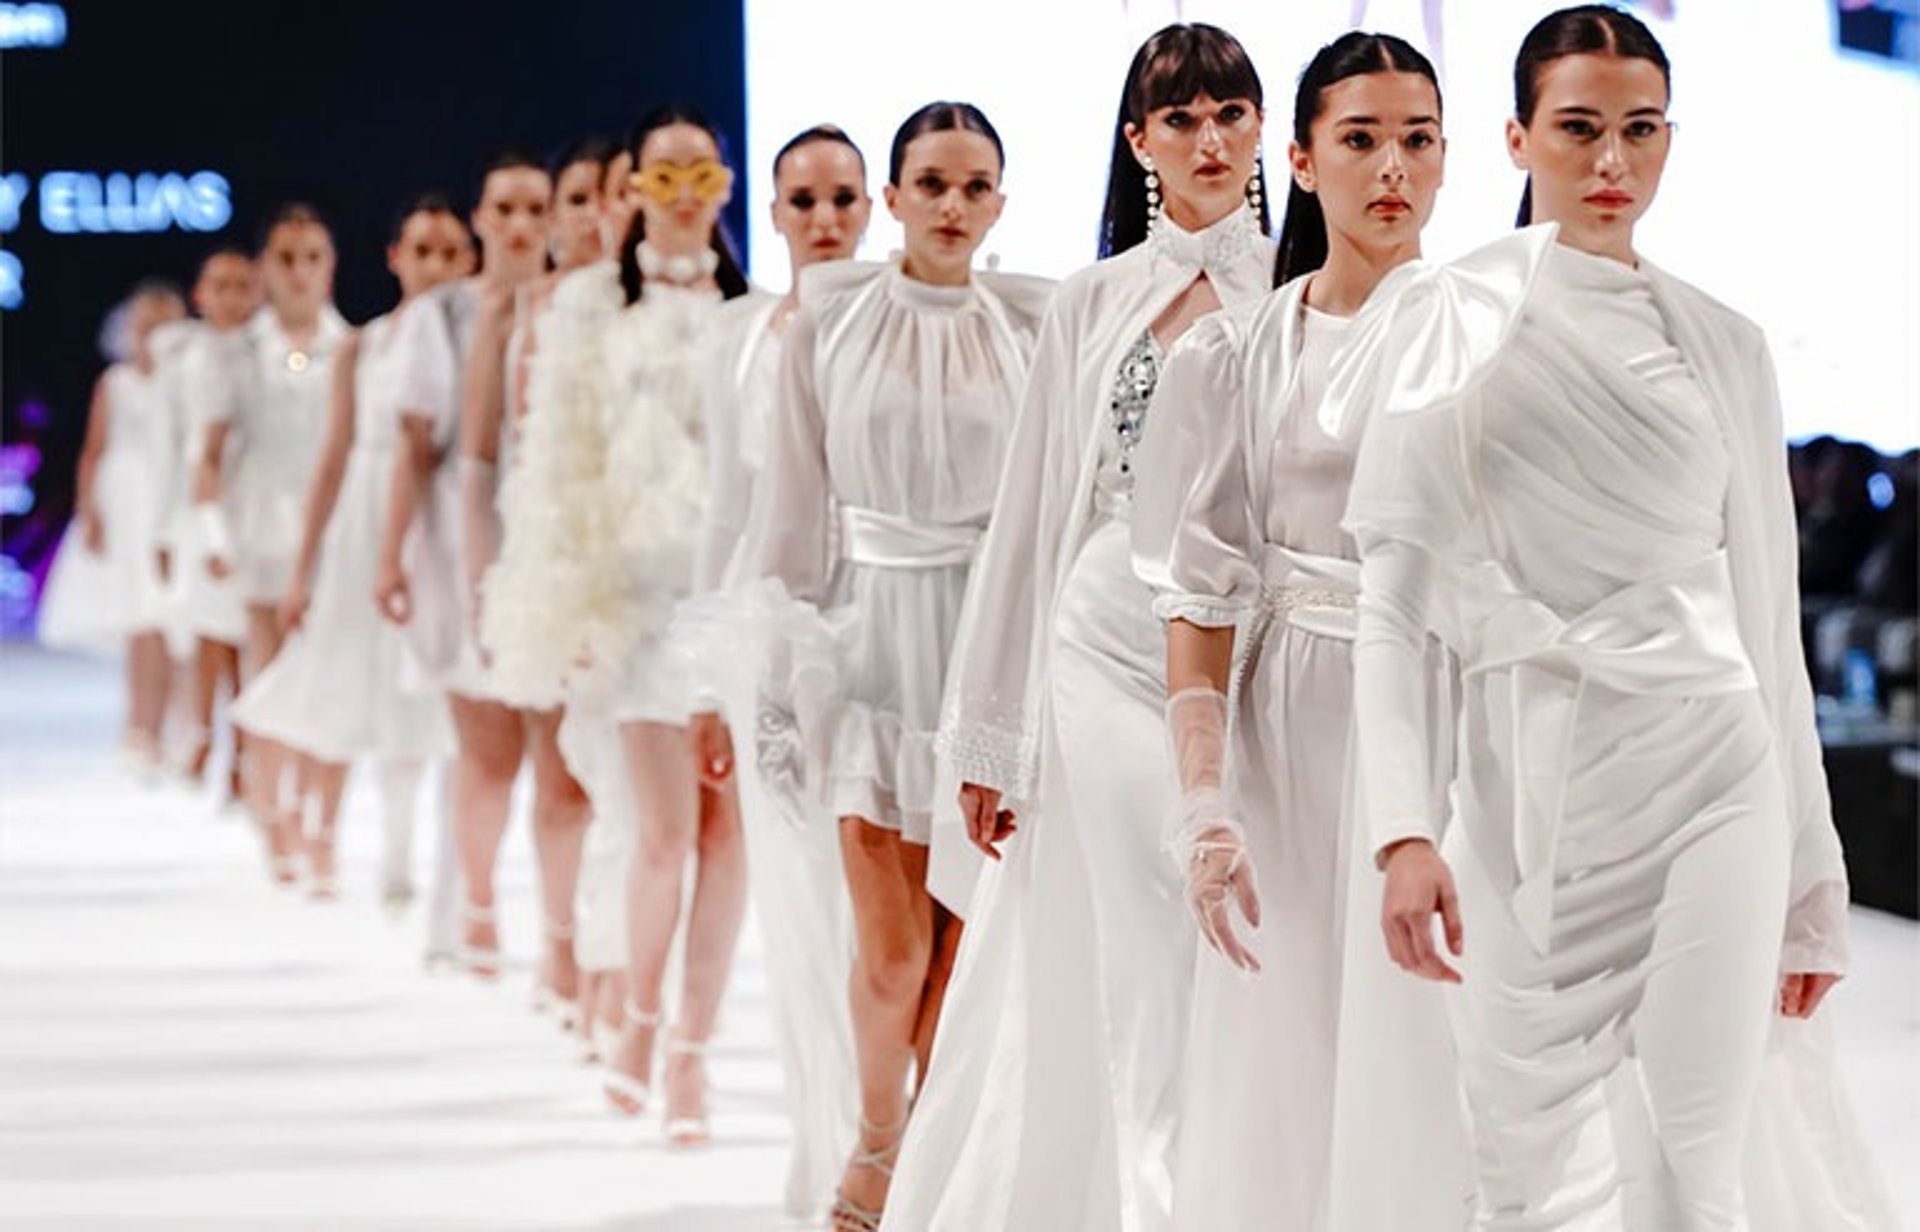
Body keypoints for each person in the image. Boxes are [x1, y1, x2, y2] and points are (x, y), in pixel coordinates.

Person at [1334, 7, 1888, 1227]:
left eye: (1641, 131)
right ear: (1517, 138)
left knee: (1695, 1151)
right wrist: (1399, 829)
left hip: (1715, 771)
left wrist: (1812, 866)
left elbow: (1763, 612)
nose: (1612, 163)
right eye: (1579, 128)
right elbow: (1396, 594)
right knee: (1519, 1167)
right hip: (1531, 786)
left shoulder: (1726, 346)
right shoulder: (1448, 317)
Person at [893, 26, 1272, 1232]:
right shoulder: (1092, 301)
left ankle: (1234, 1182)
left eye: (1231, 114)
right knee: (1140, 914)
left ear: (1266, 132)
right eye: (1181, 119)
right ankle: (1147, 1198)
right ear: (1139, 140)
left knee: (1251, 922)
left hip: (1252, 647)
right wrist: (987, 736)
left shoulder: (1303, 287)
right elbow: (1032, 512)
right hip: (1101, 632)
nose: (1209, 140)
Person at [1132, 31, 1454, 1230]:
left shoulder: (1492, 335)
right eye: (1360, 140)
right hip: (1292, 720)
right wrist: (1206, 802)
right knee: (1286, 1048)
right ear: (1305, 162)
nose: (1393, 169)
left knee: (1434, 1040)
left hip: (1445, 708)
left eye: (1418, 140)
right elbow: (1201, 591)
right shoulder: (1237, 351)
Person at [729, 101, 1050, 1231]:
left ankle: (928, 1154)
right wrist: (767, 673)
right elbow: (792, 507)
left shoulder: (1034, 329)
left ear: (1000, 201)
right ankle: (874, 1140)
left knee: (962, 946)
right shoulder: (828, 323)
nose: (954, 206)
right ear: (895, 199)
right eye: (933, 183)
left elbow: (1051, 517)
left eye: (976, 186)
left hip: (985, 646)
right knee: (889, 947)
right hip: (865, 646)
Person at [483, 104, 752, 1148]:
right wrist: (568, 605)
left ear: (722, 185)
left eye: (700, 173)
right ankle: (638, 1015)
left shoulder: (753, 312)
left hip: (733, 604)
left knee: (729, 839)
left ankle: (690, 1048)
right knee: (662, 831)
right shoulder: (589, 306)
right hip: (636, 602)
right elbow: (558, 463)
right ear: (633, 185)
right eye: (663, 175)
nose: (683, 193)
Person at [674, 121, 871, 1220]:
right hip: (771, 643)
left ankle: (886, 1135)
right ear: (775, 214)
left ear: (872, 207)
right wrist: (706, 680)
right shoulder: (739, 335)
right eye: (803, 200)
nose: (826, 218)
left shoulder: (895, 313)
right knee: (798, 901)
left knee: (879, 912)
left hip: (886, 636)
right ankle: (825, 1139)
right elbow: (726, 511)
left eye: (843, 197)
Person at [374, 150, 595, 998]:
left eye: (534, 207)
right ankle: (473, 903)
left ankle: (563, 940)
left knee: (560, 754)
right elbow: (412, 446)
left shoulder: (580, 307)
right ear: (480, 219)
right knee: (488, 748)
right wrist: (390, 553)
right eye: (503, 207)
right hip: (458, 540)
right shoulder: (444, 317)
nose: (519, 224)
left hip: (552, 545)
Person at [231, 196, 470, 904]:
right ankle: (301, 820)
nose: (435, 266)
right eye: (421, 250)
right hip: (361, 524)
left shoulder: (479, 339)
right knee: (341, 674)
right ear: (395, 258)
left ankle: (382, 845)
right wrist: (305, 565)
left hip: (443, 523)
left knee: (421, 687)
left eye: (450, 252)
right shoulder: (364, 348)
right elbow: (333, 459)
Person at [194, 203, 349, 882]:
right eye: (286, 258)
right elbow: (210, 453)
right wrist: (211, 532)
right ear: (265, 268)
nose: (299, 273)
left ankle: (323, 822)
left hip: (338, 531)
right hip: (260, 528)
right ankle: (274, 809)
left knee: (335, 680)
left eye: (312, 257)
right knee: (268, 675)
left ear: (331, 266)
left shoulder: (352, 347)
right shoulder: (238, 353)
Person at [38, 280, 188, 775]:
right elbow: (94, 448)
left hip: (168, 502)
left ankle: (170, 727)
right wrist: (88, 508)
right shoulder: (116, 382)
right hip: (125, 502)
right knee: (140, 623)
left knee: (167, 624)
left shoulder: (184, 381)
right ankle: (138, 727)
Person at [161, 249, 258, 802]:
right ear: (200, 294)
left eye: (241, 286)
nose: (230, 297)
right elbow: (171, 446)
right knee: (207, 631)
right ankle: (201, 733)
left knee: (247, 635)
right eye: (218, 285)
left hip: (252, 497)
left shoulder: (265, 353)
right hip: (198, 502)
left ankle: (246, 753)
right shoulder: (184, 359)